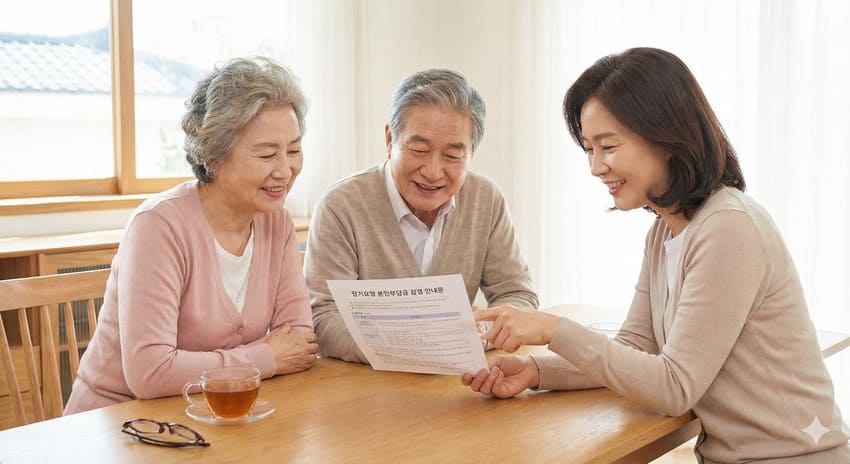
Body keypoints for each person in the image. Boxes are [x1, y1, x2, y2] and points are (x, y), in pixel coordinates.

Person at [462, 48, 850, 463]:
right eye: (588, 149)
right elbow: (638, 348)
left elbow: (673, 385)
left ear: (666, 137)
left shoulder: (729, 227)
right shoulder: (666, 230)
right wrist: (539, 372)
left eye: (607, 146)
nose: (595, 166)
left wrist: (553, 328)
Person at [65, 57, 319, 414]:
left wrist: (199, 365)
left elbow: (298, 343)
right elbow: (150, 373)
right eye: (266, 154)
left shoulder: (276, 222)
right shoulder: (158, 226)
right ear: (214, 155)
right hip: (119, 423)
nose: (285, 170)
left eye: (293, 150)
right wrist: (265, 356)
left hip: (219, 416)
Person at [305, 68, 538, 363]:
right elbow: (323, 319)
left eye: (453, 156)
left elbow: (518, 296)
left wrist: (480, 331)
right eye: (418, 148)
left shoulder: (485, 199)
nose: (433, 171)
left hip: (458, 386)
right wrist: (420, 344)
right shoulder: (341, 205)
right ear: (390, 139)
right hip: (367, 387)